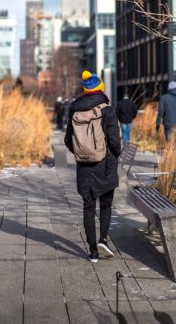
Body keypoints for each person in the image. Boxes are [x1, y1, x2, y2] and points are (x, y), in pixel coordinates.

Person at [64, 70, 121, 263]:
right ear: (101, 88)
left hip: (85, 168)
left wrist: (81, 154)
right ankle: (103, 239)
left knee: (88, 207)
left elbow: (67, 139)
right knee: (106, 204)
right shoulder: (108, 109)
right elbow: (114, 140)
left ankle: (93, 251)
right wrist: (116, 154)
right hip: (105, 165)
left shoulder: (74, 109)